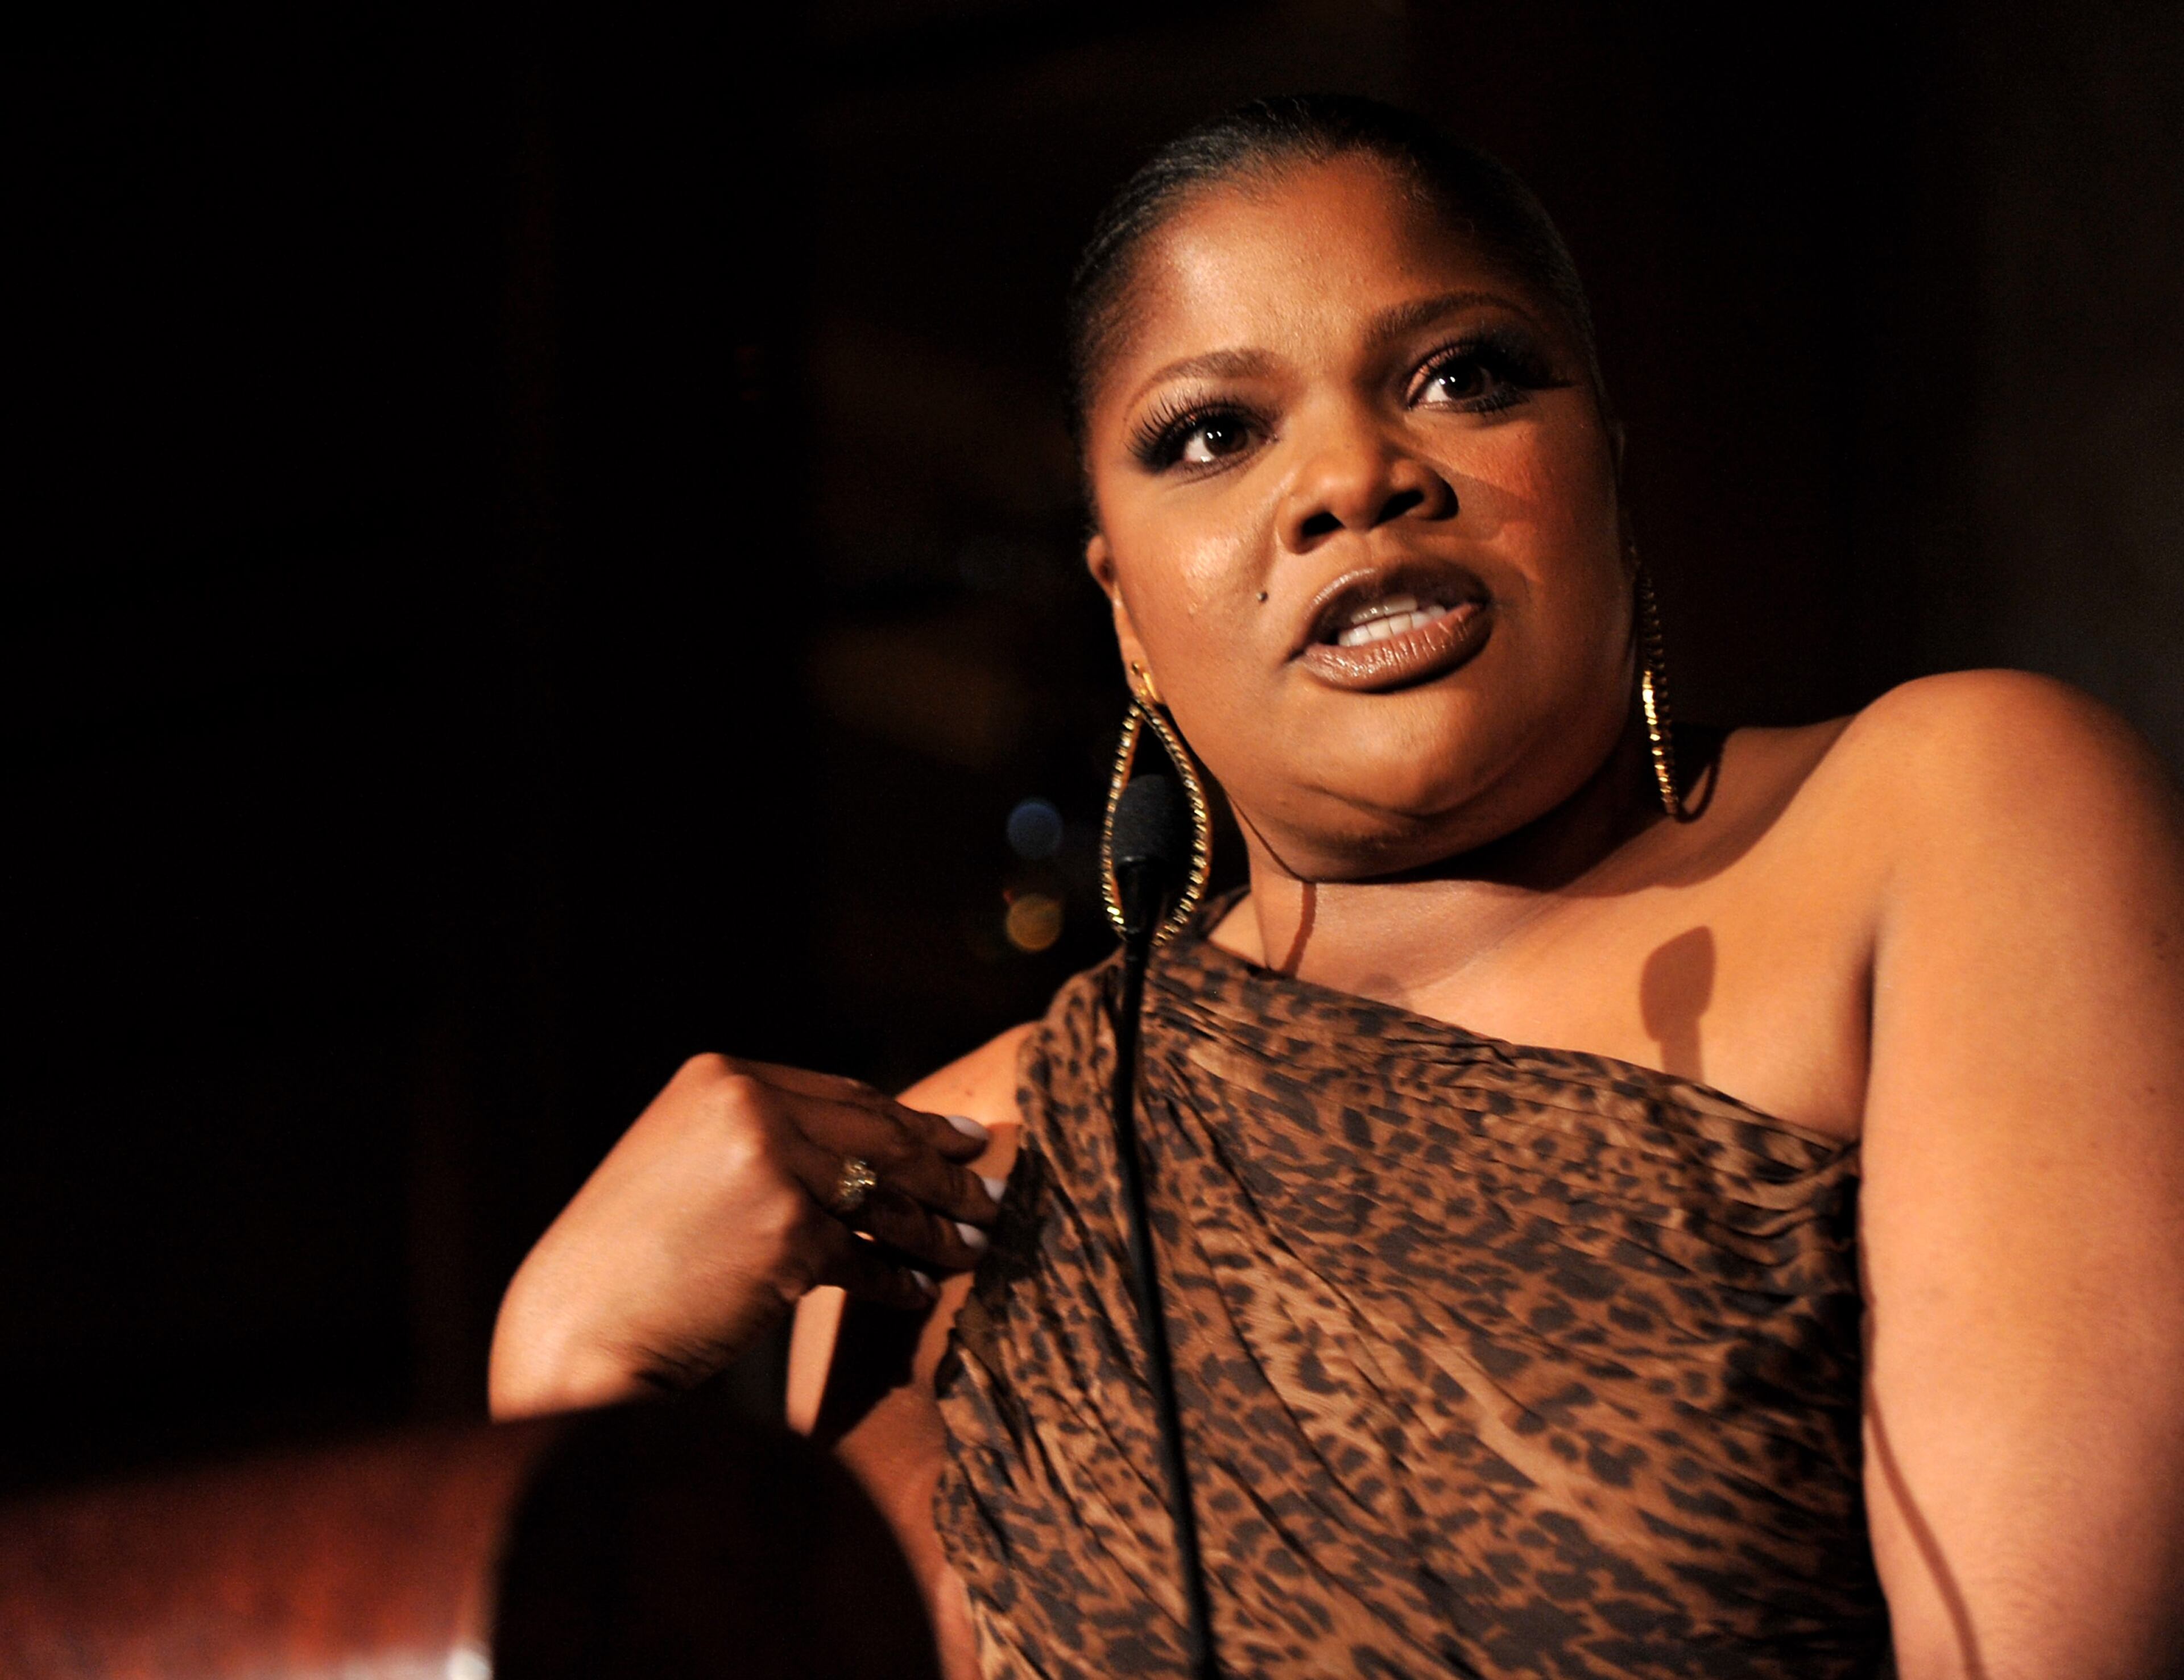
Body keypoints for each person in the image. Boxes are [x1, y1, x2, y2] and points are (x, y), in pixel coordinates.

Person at [486, 96, 2184, 1679]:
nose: (1357, 479)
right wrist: (563, 1388)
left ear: (1608, 457)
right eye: (1214, 431)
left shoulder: (1936, 815)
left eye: (1463, 375)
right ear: (1127, 611)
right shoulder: (934, 1194)